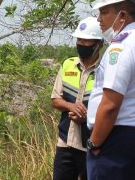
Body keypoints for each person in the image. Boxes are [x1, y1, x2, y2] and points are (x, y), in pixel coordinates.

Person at [87, 0, 135, 180]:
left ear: (122, 15)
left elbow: (110, 105)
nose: (99, 19)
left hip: (115, 140)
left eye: (104, 12)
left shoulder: (121, 46)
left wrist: (95, 144)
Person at [51, 17, 103, 180]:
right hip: (65, 142)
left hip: (92, 145)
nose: (81, 44)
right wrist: (70, 106)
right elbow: (55, 99)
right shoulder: (68, 65)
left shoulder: (106, 70)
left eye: (86, 41)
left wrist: (87, 118)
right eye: (79, 39)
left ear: (98, 44)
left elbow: (113, 109)